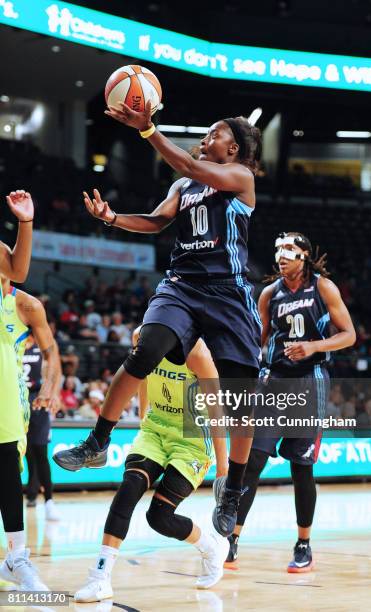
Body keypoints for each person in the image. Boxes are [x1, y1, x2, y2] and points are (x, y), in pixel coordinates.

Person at [54, 100, 263, 537]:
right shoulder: (183, 186)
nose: (207, 139)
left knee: (243, 397)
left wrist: (149, 130)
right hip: (182, 286)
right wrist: (112, 218)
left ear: (235, 150)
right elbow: (155, 222)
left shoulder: (240, 178)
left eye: (215, 134)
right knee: (146, 348)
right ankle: (97, 442)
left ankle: (233, 488)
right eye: (205, 133)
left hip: (228, 291)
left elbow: (192, 165)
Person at [225, 232, 356, 572]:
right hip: (274, 381)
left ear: (304, 256)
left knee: (301, 468)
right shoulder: (269, 293)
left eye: (289, 250)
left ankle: (303, 543)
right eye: (278, 250)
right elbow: (259, 339)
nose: (281, 255)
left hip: (309, 381)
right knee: (252, 461)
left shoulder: (323, 287)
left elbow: (349, 334)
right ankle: (232, 539)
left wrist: (313, 346)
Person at [74, 328, 228, 602]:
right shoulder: (141, 336)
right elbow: (141, 375)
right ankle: (99, 578)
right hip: (155, 430)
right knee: (128, 489)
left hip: (191, 439)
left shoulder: (198, 354)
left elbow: (216, 410)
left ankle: (211, 546)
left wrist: (225, 472)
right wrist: (145, 415)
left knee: (159, 517)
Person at [0, 190, 49, 591]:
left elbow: (17, 269)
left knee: (6, 474)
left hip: (5, 389)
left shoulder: (22, 303)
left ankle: (16, 559)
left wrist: (25, 223)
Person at [20, 330, 61, 519]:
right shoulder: (14, 345)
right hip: (17, 401)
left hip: (38, 400)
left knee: (40, 452)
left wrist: (52, 393)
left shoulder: (42, 347)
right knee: (22, 453)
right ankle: (30, 492)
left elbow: (53, 371)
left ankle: (49, 501)